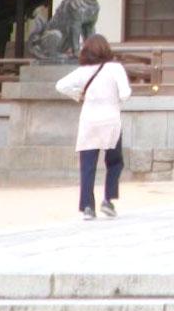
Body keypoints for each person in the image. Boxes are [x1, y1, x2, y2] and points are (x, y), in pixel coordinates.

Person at [55, 34, 131, 221]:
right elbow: (125, 92)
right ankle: (108, 199)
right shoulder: (115, 68)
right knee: (114, 162)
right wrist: (117, 100)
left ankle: (88, 206)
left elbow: (60, 85)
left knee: (87, 166)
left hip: (89, 122)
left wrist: (78, 95)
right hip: (110, 121)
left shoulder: (83, 71)